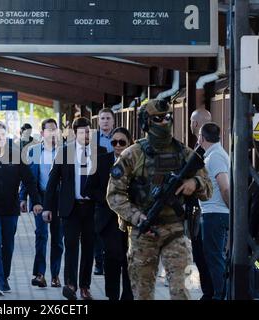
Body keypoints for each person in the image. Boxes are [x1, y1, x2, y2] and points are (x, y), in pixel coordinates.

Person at [106, 99, 212, 300]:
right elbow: (114, 194)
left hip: (177, 231)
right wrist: (136, 216)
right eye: (158, 119)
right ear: (146, 122)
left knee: (183, 291)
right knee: (142, 293)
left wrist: (195, 183)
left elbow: (208, 188)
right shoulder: (133, 154)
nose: (164, 122)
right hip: (144, 232)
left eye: (167, 117)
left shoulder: (184, 153)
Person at [0, 121, 43, 296]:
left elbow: (29, 181)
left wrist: (36, 202)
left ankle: (4, 277)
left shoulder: (16, 156)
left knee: (8, 245)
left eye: (2, 134)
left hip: (10, 209)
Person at [43, 117, 107, 300]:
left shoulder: (100, 152)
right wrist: (47, 207)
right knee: (70, 246)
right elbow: (53, 180)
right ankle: (70, 284)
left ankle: (85, 287)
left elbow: (105, 183)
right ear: (75, 134)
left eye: (88, 131)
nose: (86, 135)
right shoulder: (64, 152)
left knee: (88, 248)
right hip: (71, 208)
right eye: (82, 132)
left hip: (92, 208)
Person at [85, 127, 133, 300]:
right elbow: (88, 188)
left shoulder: (137, 161)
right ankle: (112, 296)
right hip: (108, 220)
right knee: (113, 258)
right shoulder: (101, 161)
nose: (118, 145)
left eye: (122, 142)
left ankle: (128, 296)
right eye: (114, 142)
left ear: (129, 142)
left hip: (131, 220)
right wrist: (108, 199)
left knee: (130, 259)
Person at [19, 119, 64, 288]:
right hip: (40, 198)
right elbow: (27, 177)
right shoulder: (33, 151)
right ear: (42, 132)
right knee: (41, 235)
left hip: (59, 199)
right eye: (49, 130)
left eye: (54, 130)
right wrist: (23, 197)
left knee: (58, 238)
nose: (52, 133)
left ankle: (55, 275)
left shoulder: (64, 152)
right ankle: (40, 274)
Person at [198, 122, 230, 300]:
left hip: (215, 214)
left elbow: (224, 187)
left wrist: (232, 211)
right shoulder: (214, 153)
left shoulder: (216, 156)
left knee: (215, 258)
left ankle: (220, 296)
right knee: (214, 256)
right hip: (215, 213)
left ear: (202, 138)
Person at [189, 108, 214, 300]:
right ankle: (209, 292)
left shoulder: (208, 152)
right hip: (202, 210)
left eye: (191, 121)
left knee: (204, 254)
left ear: (196, 124)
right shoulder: (204, 149)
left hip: (205, 211)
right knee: (202, 254)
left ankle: (211, 293)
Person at [93, 108, 116, 275]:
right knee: (98, 226)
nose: (105, 121)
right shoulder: (93, 140)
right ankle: (98, 262)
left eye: (108, 118)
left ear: (113, 121)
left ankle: (113, 259)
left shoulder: (119, 138)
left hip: (117, 185)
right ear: (98, 121)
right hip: (99, 186)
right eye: (103, 118)